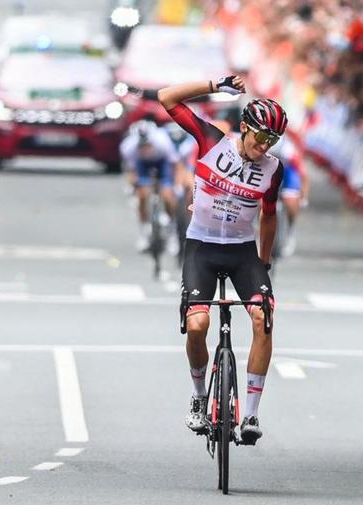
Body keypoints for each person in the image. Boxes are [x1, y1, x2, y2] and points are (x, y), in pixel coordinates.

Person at [157, 75, 286, 443]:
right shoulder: (213, 141)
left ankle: (251, 416)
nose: (265, 145)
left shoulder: (274, 171)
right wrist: (214, 85)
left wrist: (265, 260)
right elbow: (167, 96)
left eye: (272, 140)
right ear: (245, 127)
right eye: (260, 136)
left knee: (263, 319)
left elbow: (270, 214)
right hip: (203, 246)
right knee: (197, 326)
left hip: (243, 250)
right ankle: (199, 399)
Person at [119, 119, 179, 252]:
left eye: (148, 145)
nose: (145, 149)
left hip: (163, 162)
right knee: (142, 195)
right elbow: (132, 171)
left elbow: (175, 164)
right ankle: (144, 233)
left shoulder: (163, 143)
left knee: (168, 196)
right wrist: (130, 187)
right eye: (142, 146)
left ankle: (172, 234)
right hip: (142, 165)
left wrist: (175, 185)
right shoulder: (128, 147)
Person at [268, 129, 309, 256]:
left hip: (288, 172)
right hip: (268, 170)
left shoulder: (290, 152)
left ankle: (291, 230)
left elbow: (304, 176)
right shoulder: (262, 149)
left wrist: (303, 197)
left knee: (290, 201)